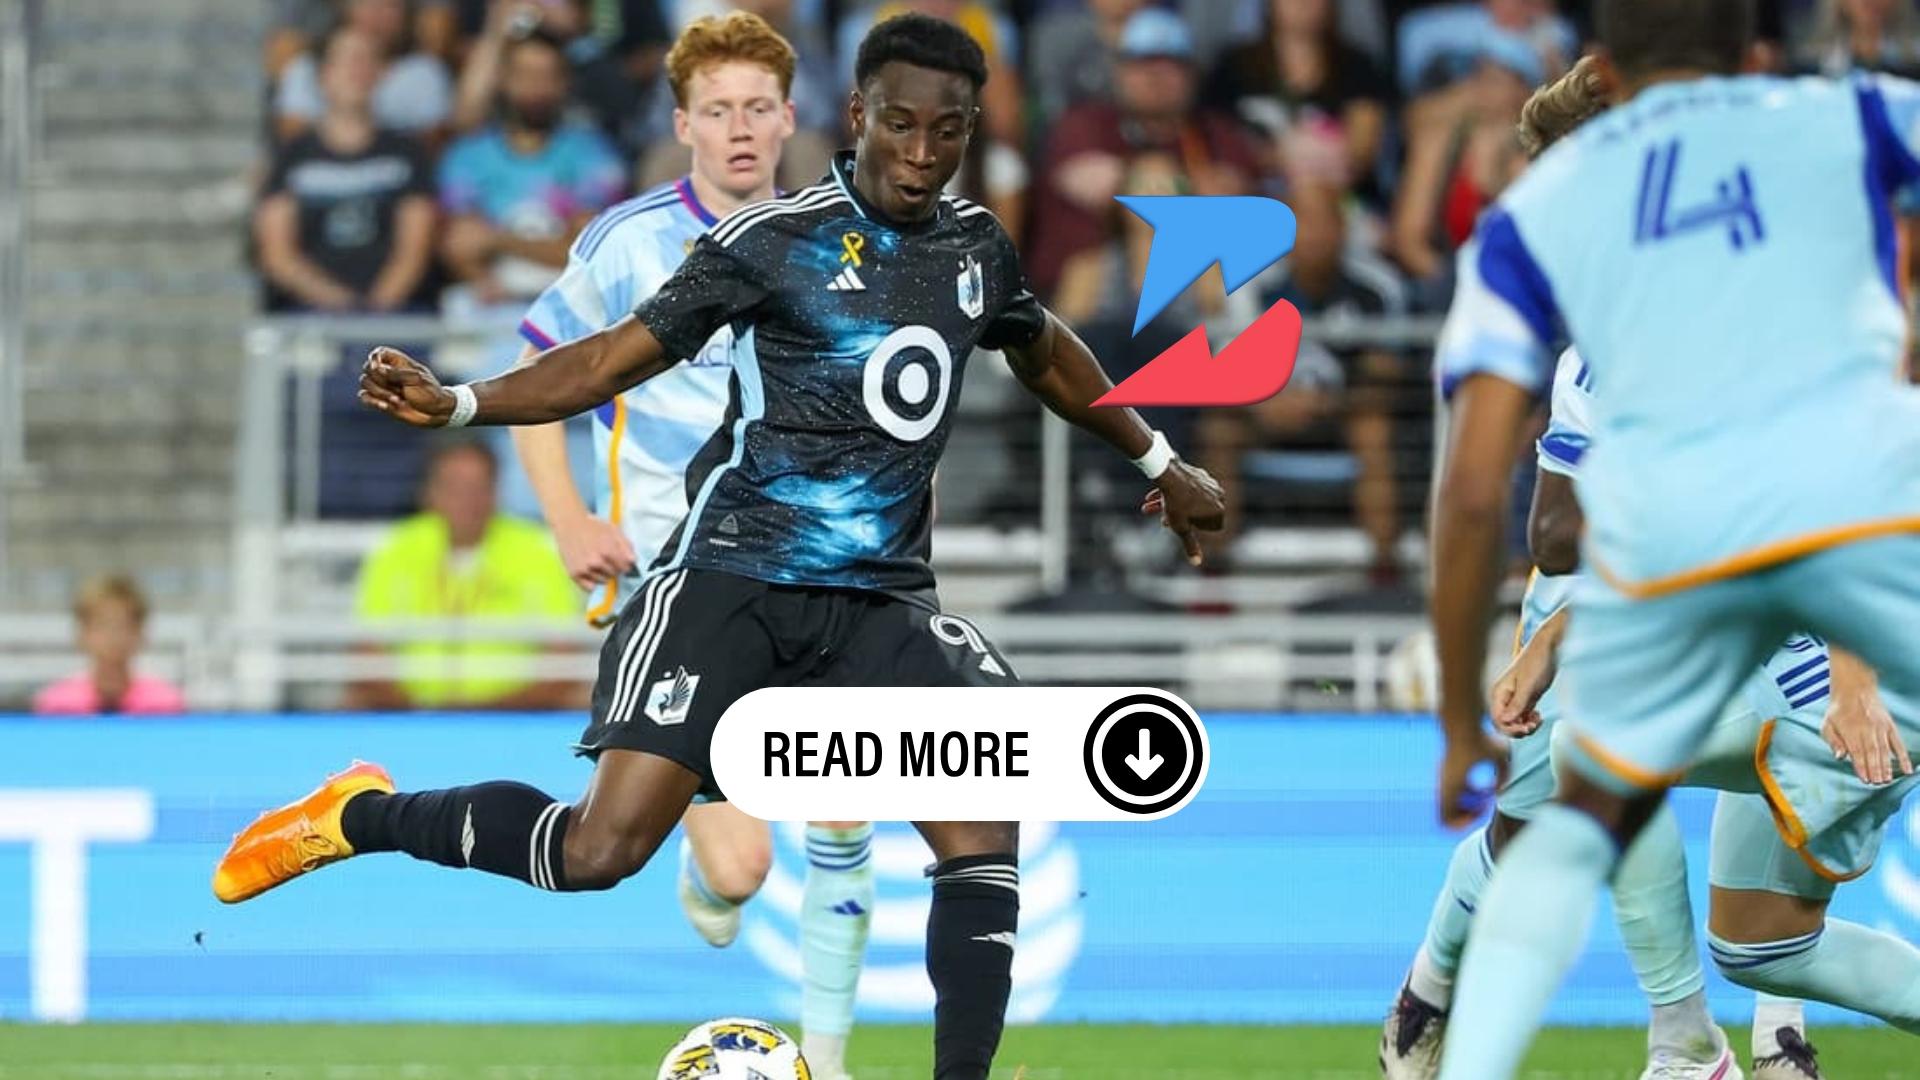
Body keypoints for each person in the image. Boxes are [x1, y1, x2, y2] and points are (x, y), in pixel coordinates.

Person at [215, 14, 1227, 1080]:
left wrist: (1162, 459)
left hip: (881, 605)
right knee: (598, 851)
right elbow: (608, 360)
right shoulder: (772, 241)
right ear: (856, 116)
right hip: (732, 582)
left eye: (949, 132)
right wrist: (461, 402)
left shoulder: (975, 246)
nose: (922, 154)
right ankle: (361, 816)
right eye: (901, 126)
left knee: (982, 823)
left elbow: (1045, 348)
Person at [1426, 0, 1920, 1074]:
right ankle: (1731, 1034)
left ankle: (1680, 1047)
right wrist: (1551, 641)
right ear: (1752, 62)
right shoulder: (1849, 132)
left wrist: (1462, 722)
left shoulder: (1553, 238)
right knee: (1764, 942)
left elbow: (1468, 499)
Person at [511, 13, 870, 1076]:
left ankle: (830, 1063)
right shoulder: (628, 245)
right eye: (717, 111)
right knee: (743, 871)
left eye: (758, 107)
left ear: (790, 118)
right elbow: (536, 382)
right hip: (672, 584)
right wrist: (570, 519)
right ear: (683, 126)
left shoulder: (843, 244)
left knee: (844, 809)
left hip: (813, 568)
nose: (740, 128)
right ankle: (703, 860)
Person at [348, 439, 584, 711]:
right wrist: (420, 713)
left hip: (516, 716)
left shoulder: (535, 550)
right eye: (454, 488)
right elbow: (367, 652)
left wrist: (492, 712)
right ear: (428, 492)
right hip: (409, 715)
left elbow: (563, 657)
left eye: (478, 488)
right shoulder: (397, 548)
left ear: (495, 491)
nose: (467, 500)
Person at [257, 25, 438, 314]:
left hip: (396, 314)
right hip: (310, 314)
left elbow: (415, 249)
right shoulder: (292, 156)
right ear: (323, 74)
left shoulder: (408, 153)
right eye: (347, 60)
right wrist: (343, 309)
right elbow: (278, 255)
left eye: (367, 59)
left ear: (380, 72)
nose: (357, 69)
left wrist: (376, 313)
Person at [274, 0, 454, 143]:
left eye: (390, 6)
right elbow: (293, 142)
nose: (378, 15)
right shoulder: (307, 69)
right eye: (368, 4)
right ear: (347, 9)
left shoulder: (424, 72)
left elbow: (432, 149)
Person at [33, 575, 187, 717]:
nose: (113, 637)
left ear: (140, 633)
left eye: (123, 626)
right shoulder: (57, 704)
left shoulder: (165, 704)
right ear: (82, 633)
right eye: (102, 625)